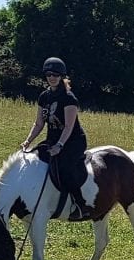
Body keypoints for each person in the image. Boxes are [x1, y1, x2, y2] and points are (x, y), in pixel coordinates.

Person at [20, 57, 92, 221]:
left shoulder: (69, 98)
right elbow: (38, 123)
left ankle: (80, 205)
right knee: (35, 161)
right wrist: (28, 141)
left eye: (56, 75)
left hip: (72, 141)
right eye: (49, 74)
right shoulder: (44, 97)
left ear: (62, 76)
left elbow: (68, 126)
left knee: (65, 168)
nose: (52, 77)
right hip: (52, 140)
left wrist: (60, 145)